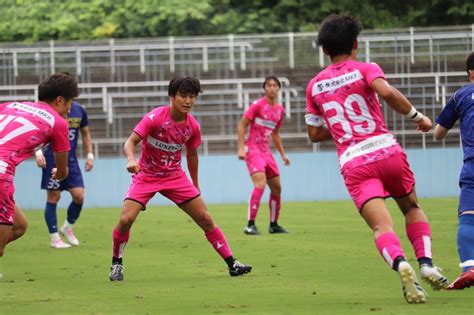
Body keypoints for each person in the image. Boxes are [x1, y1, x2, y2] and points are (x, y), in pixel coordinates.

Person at [305, 14, 449, 303]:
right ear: (356, 44)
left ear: (324, 50)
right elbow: (386, 92)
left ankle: (400, 263)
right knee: (411, 207)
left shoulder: (315, 86)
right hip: (386, 151)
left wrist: (343, 128)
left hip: (354, 163)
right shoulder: (365, 69)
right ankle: (426, 263)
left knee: (382, 227)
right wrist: (417, 117)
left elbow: (314, 133)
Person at [109, 76, 252, 281]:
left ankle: (232, 263)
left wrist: (195, 185)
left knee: (205, 218)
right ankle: (117, 263)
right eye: (183, 96)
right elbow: (130, 142)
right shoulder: (155, 118)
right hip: (146, 176)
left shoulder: (192, 126)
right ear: (172, 97)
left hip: (174, 177)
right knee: (125, 219)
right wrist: (131, 159)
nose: (187, 101)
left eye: (192, 97)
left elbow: (192, 155)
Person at [0, 73, 78, 273]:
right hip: (1, 173)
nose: (70, 109)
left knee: (20, 226)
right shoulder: (58, 123)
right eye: (69, 103)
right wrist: (58, 173)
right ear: (59, 100)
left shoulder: (10, 106)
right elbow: (62, 171)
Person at [434, 51, 474, 290]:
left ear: (471, 72)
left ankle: (470, 268)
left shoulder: (461, 95)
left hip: (473, 164)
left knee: (468, 219)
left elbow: (438, 133)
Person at [35, 101, 94, 248]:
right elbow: (37, 132)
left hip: (71, 159)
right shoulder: (48, 109)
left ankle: (67, 227)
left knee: (79, 195)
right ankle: (55, 238)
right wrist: (38, 151)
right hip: (51, 158)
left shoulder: (79, 110)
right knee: (54, 196)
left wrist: (90, 155)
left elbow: (85, 133)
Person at [237, 76, 290, 235]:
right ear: (265, 88)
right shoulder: (257, 105)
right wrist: (241, 148)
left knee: (276, 188)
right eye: (269, 85)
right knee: (260, 184)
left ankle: (273, 225)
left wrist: (282, 155)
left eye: (275, 85)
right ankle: (250, 224)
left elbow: (275, 134)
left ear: (278, 88)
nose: (272, 88)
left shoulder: (280, 110)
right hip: (253, 150)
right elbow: (241, 125)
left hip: (267, 152)